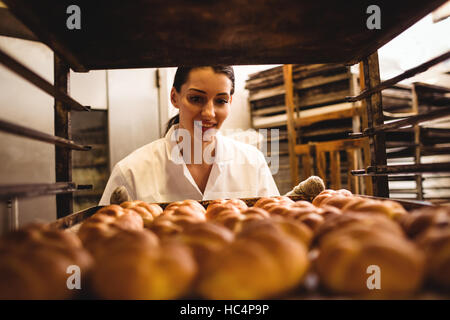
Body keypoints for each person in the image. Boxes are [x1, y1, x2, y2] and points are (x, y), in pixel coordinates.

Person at [99, 65, 280, 205]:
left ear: (230, 102)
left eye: (220, 101)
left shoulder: (253, 164)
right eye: (196, 98)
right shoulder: (131, 172)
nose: (209, 113)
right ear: (174, 97)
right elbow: (101, 239)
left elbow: (275, 226)